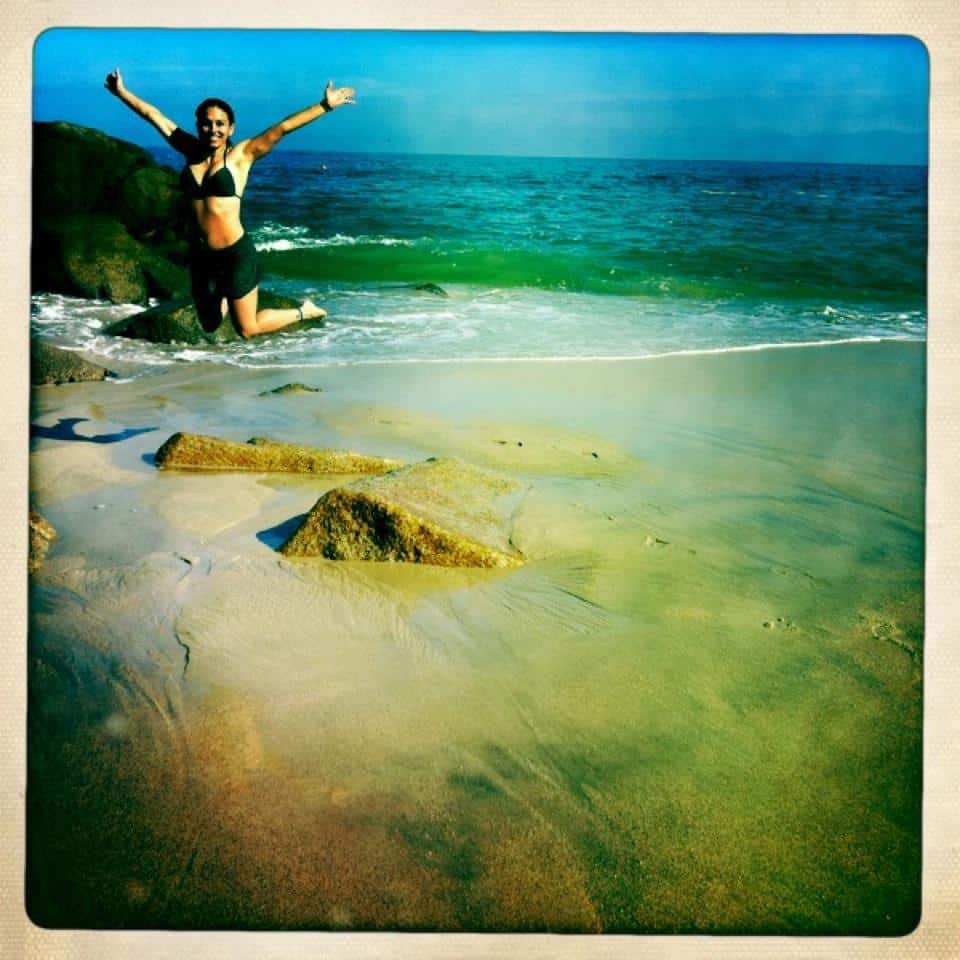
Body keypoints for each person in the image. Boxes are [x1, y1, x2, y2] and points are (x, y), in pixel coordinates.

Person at [105, 68, 355, 337]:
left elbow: (283, 127)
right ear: (198, 126)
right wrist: (122, 93)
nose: (213, 129)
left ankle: (305, 311)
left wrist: (325, 105)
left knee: (247, 329)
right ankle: (224, 292)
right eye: (207, 123)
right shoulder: (190, 150)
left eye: (220, 124)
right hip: (203, 257)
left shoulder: (242, 155)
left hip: (235, 253)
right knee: (209, 323)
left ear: (230, 128)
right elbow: (154, 116)